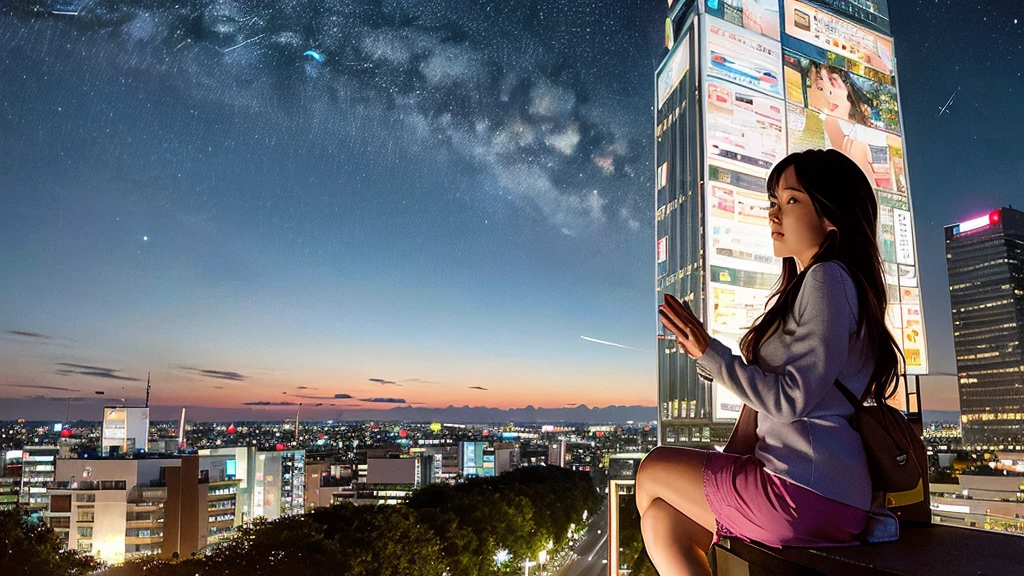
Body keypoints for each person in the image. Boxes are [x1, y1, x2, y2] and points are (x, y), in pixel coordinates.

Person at [635, 149, 904, 575]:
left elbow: (792, 398)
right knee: (662, 520)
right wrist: (725, 466)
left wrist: (709, 352)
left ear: (832, 214)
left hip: (805, 492)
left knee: (652, 470)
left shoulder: (828, 277)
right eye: (772, 203)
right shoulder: (819, 285)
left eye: (791, 200)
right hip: (819, 491)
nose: (774, 214)